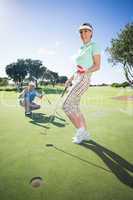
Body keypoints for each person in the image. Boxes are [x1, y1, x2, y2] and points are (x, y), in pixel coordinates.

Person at [63, 23, 101, 144]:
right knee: (75, 107)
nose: (83, 34)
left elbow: (97, 66)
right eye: (81, 32)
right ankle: (85, 133)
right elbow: (78, 68)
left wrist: (86, 71)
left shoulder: (94, 45)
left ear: (91, 33)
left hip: (84, 78)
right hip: (76, 78)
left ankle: (81, 132)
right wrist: (70, 79)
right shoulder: (80, 48)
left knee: (66, 105)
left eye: (86, 31)